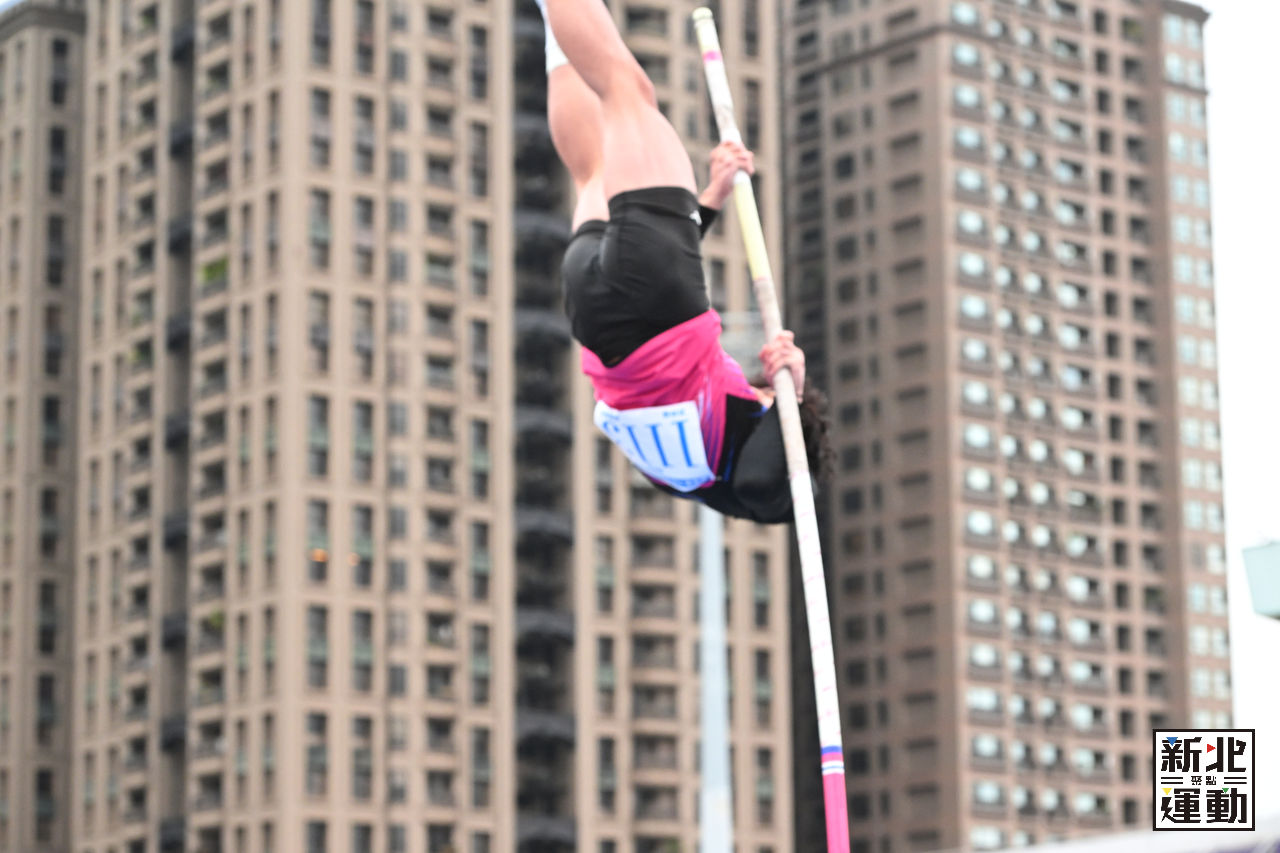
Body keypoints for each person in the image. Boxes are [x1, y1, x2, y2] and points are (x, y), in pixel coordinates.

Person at [535, 0, 832, 524]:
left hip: (658, 304)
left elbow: (768, 484)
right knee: (594, 167)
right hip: (596, 314)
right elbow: (646, 269)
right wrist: (711, 199)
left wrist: (796, 392)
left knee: (627, 91)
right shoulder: (688, 471)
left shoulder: (751, 476)